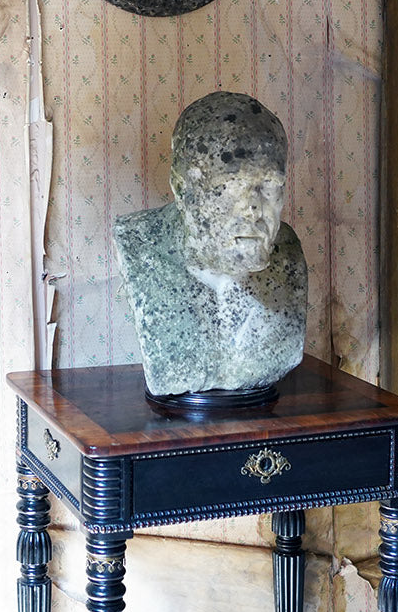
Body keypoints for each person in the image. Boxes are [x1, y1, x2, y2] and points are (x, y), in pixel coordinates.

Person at [113, 92, 306, 398]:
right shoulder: (139, 243)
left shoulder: (287, 253)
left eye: (270, 186)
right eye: (232, 186)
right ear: (182, 189)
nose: (254, 209)